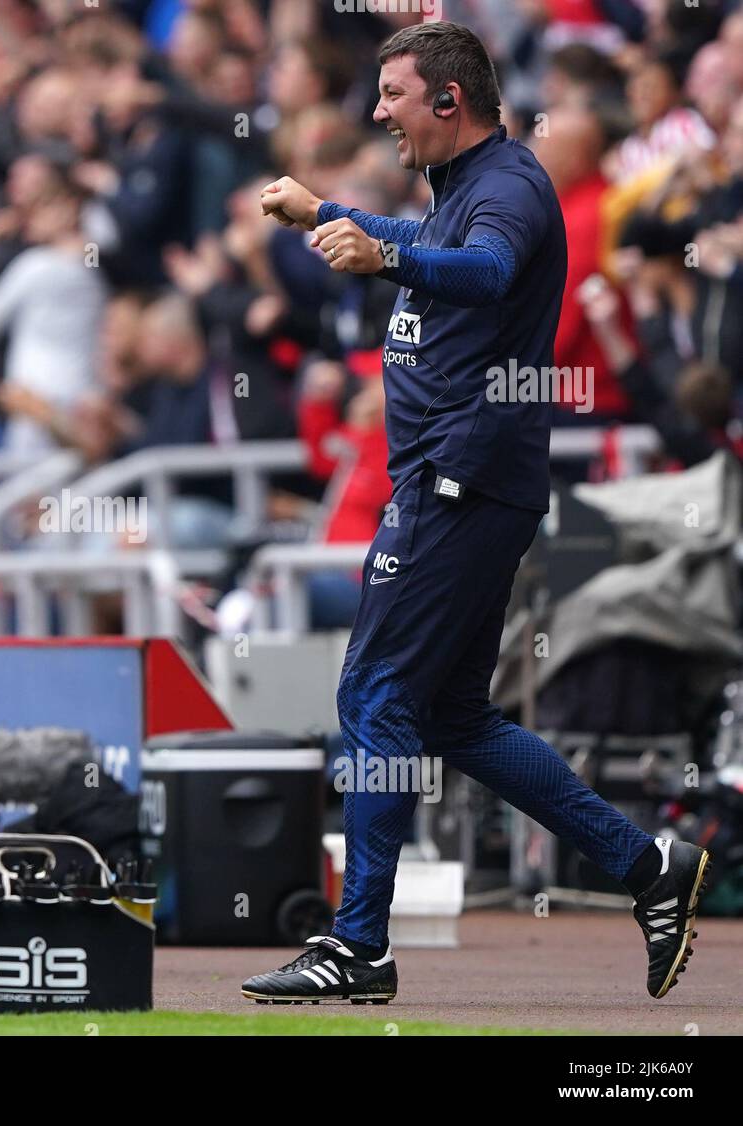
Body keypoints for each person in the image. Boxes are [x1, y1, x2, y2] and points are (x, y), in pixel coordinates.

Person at [245, 21, 711, 1005]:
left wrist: (377, 258)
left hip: (460, 478)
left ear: (448, 101)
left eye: (394, 95)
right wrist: (330, 214)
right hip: (456, 481)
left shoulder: (505, 185)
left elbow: (486, 270)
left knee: (373, 700)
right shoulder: (467, 188)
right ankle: (646, 866)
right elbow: (433, 242)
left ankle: (358, 943)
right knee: (449, 716)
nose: (377, 113)